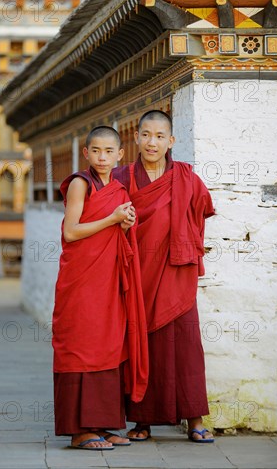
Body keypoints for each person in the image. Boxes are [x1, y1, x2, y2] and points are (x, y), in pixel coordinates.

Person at [113, 110, 216, 444]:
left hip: (174, 272)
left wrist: (183, 242)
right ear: (136, 138)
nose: (151, 142)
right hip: (136, 275)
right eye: (145, 135)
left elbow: (201, 210)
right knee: (141, 346)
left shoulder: (186, 177)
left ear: (171, 141)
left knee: (185, 347)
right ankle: (141, 421)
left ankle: (196, 419)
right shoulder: (121, 177)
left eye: (159, 136)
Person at [52, 126, 149, 451]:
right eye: (96, 151)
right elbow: (71, 232)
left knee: (108, 343)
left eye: (109, 152)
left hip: (108, 278)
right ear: (86, 153)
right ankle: (80, 430)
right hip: (81, 280)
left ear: (120, 154)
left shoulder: (119, 190)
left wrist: (125, 224)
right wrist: (112, 219)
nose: (102, 157)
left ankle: (104, 425)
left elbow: (121, 232)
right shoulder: (81, 183)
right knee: (82, 343)